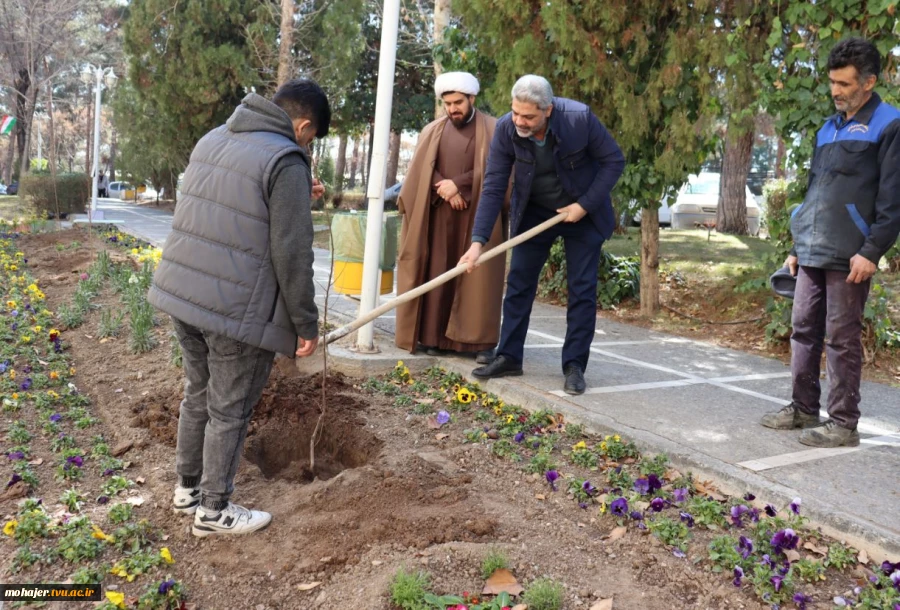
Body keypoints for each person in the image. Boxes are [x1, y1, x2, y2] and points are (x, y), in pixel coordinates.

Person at [147, 78, 329, 536]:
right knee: (229, 409)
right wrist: (306, 323)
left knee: (198, 394)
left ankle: (187, 490)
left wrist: (296, 197)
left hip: (183, 295)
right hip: (234, 308)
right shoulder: (287, 159)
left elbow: (232, 205)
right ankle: (213, 511)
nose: (306, 145)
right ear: (303, 125)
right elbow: (292, 252)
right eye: (310, 138)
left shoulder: (215, 138)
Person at [760, 38, 900, 448]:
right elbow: (815, 192)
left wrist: (872, 251)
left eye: (844, 83)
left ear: (869, 82)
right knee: (802, 329)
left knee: (841, 337)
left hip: (852, 254)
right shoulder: (827, 128)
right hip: (812, 249)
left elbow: (893, 201)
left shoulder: (889, 124)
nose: (835, 91)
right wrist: (796, 245)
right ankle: (803, 409)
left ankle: (843, 424)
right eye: (832, 83)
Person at [460, 75, 625, 395]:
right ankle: (509, 355)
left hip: (583, 211)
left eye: (529, 117)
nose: (519, 121)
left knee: (581, 290)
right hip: (535, 210)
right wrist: (477, 242)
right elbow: (494, 185)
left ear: (548, 111)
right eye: (516, 112)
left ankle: (574, 365)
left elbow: (613, 161)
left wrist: (584, 205)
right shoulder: (507, 129)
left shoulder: (579, 119)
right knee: (519, 282)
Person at [395, 72, 507, 364]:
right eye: (447, 103)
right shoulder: (431, 131)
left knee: (479, 277)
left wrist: (461, 184)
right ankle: (434, 338)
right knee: (437, 270)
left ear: (472, 98)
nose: (452, 108)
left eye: (458, 102)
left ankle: (477, 342)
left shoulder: (494, 129)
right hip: (438, 216)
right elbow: (419, 172)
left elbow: (501, 172)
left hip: (479, 217)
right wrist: (444, 188)